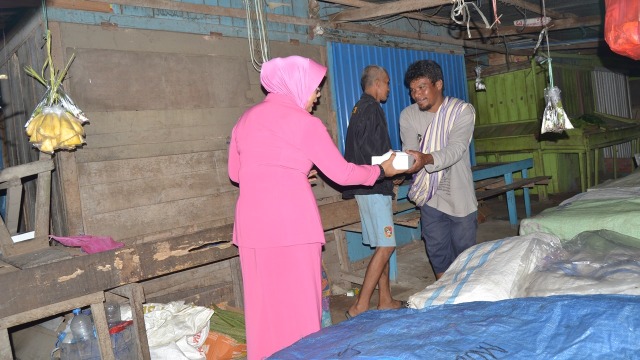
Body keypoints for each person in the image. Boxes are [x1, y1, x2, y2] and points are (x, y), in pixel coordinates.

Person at [228, 55, 407, 360]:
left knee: (264, 309)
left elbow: (236, 173)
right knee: (299, 307)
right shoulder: (305, 123)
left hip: (253, 228)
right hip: (292, 226)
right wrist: (381, 172)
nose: (318, 95)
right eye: (315, 88)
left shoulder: (245, 120)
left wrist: (289, 169)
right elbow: (342, 173)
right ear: (296, 85)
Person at [399, 59, 478, 280]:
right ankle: (445, 294)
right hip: (429, 196)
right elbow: (410, 151)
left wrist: (425, 159)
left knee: (465, 256)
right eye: (413, 90)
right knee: (437, 252)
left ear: (438, 84)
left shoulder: (461, 112)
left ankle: (465, 296)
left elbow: (456, 149)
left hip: (459, 195)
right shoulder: (408, 115)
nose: (416, 94)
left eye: (422, 87)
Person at [342, 65, 405, 318]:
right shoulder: (372, 109)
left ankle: (386, 299)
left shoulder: (358, 109)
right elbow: (375, 153)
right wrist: (396, 169)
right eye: (387, 83)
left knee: (382, 243)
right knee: (387, 246)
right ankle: (360, 305)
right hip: (375, 188)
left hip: (364, 187)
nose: (389, 88)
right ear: (377, 83)